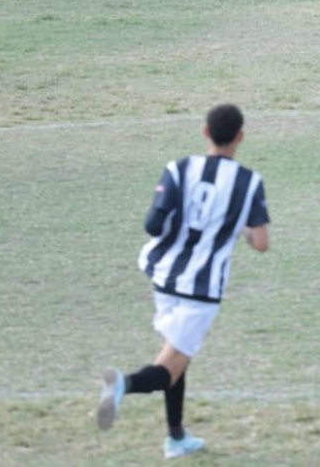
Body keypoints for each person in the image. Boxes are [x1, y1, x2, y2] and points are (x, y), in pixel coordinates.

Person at [96, 103, 270, 459]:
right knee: (169, 365)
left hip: (164, 277)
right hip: (201, 291)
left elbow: (153, 224)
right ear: (240, 137)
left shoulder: (178, 169)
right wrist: (239, 229)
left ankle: (176, 437)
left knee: (177, 356)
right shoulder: (249, 182)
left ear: (205, 131)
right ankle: (122, 385)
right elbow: (262, 243)